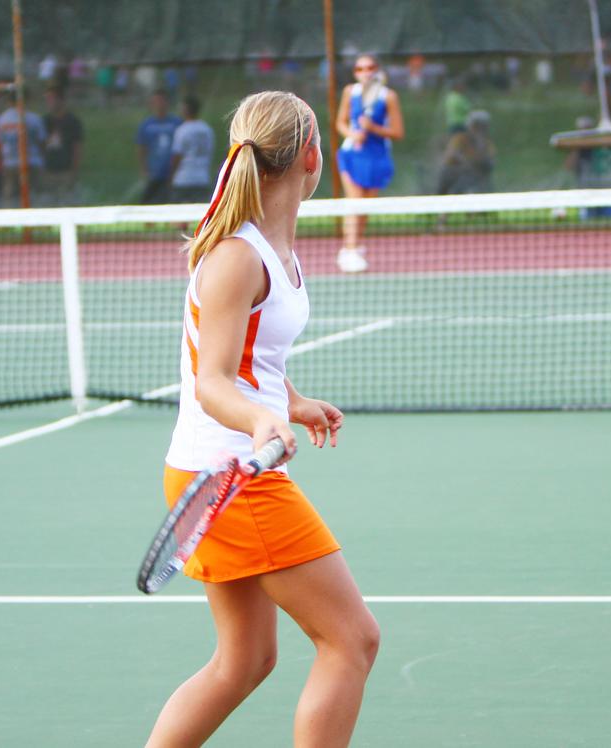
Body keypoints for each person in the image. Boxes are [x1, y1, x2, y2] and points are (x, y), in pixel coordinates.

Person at [148, 91, 379, 747]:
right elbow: (212, 380)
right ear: (312, 155)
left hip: (227, 464)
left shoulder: (277, 246)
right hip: (231, 475)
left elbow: (255, 355)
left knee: (244, 661)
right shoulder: (236, 257)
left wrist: (291, 403)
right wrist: (258, 421)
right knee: (351, 639)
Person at [334, 54, 405, 272]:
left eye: (370, 67)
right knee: (354, 201)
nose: (365, 72)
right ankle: (350, 249)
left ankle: (353, 246)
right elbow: (340, 123)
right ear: (356, 73)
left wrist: (373, 129)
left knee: (366, 206)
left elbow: (398, 132)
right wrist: (353, 135)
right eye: (360, 69)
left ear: (377, 70)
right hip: (352, 155)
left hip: (377, 156)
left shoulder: (388, 96)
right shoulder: (349, 92)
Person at [0, 91, 46, 208]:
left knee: (9, 193)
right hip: (32, 160)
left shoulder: (2, 119)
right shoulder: (34, 119)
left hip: (10, 161)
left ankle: (7, 219)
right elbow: (42, 141)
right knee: (35, 193)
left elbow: (0, 141)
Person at [136, 89, 182, 204]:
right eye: (156, 101)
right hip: (154, 172)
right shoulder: (147, 125)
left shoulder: (176, 123)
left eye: (161, 101)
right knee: (148, 203)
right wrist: (144, 170)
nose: (159, 104)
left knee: (170, 203)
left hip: (172, 172)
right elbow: (141, 148)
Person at [41, 86, 84, 206]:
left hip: (66, 169)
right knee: (48, 203)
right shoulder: (45, 121)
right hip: (49, 169)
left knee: (69, 201)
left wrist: (74, 170)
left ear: (61, 100)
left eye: (51, 99)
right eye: (47, 99)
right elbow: (41, 145)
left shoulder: (72, 121)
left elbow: (77, 147)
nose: (49, 102)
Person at [436, 109, 495, 195]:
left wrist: (480, 143)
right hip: (455, 171)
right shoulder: (459, 138)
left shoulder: (487, 143)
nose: (478, 130)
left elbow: (489, 161)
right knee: (448, 175)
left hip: (474, 175)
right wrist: (468, 163)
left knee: (472, 179)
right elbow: (453, 155)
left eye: (482, 127)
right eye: (476, 126)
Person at [169, 95, 215, 203]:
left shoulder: (182, 130)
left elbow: (177, 156)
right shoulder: (207, 129)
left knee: (179, 214)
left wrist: (171, 175)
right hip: (202, 178)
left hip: (184, 178)